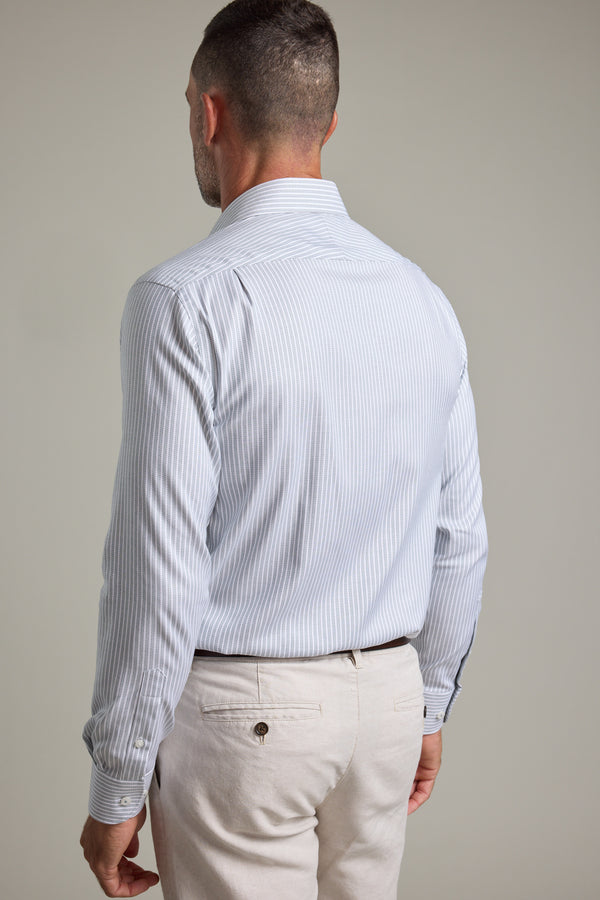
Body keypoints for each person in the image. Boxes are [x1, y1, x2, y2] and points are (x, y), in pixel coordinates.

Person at [79, 1, 488, 897]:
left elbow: (159, 566)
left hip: (244, 725)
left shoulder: (183, 302)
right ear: (328, 124)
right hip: (383, 705)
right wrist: (422, 704)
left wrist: (117, 779)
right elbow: (460, 537)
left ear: (208, 114)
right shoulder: (422, 299)